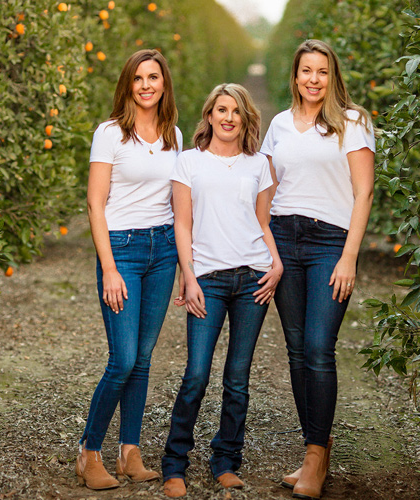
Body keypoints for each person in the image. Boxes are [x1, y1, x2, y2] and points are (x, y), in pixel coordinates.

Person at [260, 39, 375, 500]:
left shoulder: (352, 122)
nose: (313, 79)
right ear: (295, 76)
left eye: (321, 72)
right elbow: (265, 191)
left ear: (333, 76)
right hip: (284, 239)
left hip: (330, 242)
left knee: (317, 347)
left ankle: (314, 457)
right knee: (294, 350)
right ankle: (316, 446)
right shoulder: (279, 124)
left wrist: (349, 256)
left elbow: (363, 193)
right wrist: (268, 248)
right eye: (306, 71)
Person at [161, 83, 283, 498]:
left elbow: (263, 223)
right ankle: (174, 464)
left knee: (238, 377)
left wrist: (277, 262)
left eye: (237, 111)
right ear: (209, 115)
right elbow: (182, 224)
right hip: (208, 281)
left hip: (253, 279)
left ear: (246, 118)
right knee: (196, 373)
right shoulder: (188, 163)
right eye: (221, 109)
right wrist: (189, 275)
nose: (229, 117)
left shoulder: (258, 166)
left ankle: (226, 460)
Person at [75, 49, 182, 490]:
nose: (146, 85)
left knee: (141, 359)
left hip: (163, 251)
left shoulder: (174, 134)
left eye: (153, 77)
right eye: (138, 78)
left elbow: (181, 202)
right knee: (121, 360)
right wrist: (110, 268)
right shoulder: (110, 134)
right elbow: (94, 204)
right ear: (128, 84)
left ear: (163, 83)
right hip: (122, 249)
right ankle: (89, 451)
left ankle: (130, 452)